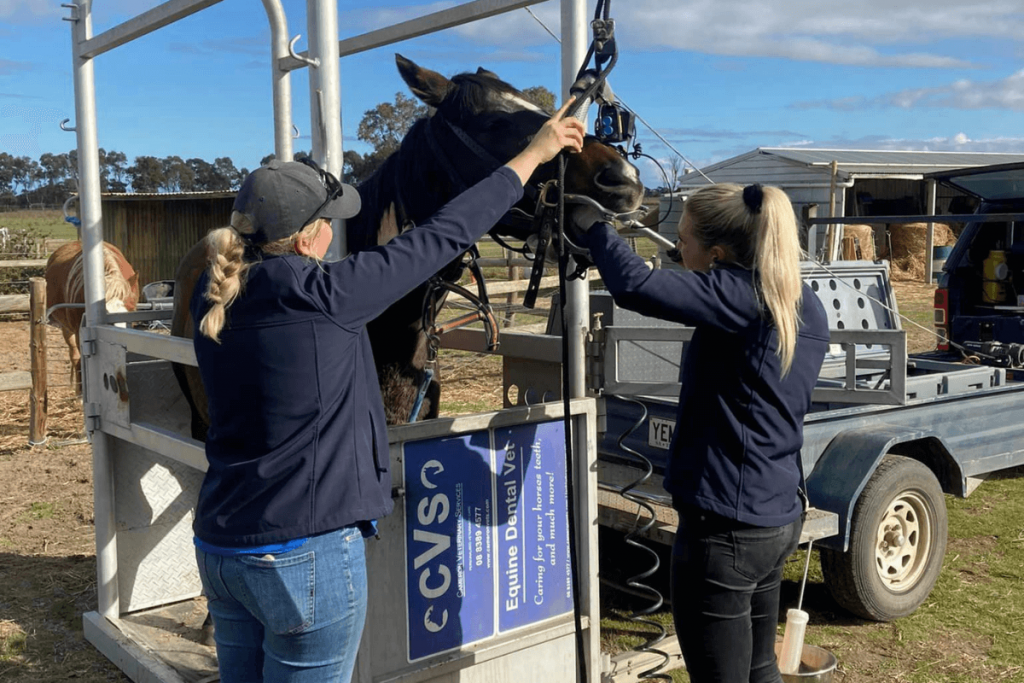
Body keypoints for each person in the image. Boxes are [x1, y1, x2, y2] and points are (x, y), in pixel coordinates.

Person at [190, 99, 585, 683]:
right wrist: (535, 153)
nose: (334, 232)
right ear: (306, 240)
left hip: (221, 546)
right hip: (305, 553)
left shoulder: (212, 297)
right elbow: (448, 231)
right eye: (328, 222)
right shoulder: (329, 296)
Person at [575, 183, 830, 683]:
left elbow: (634, 286)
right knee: (759, 668)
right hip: (775, 517)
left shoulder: (742, 300)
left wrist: (592, 224)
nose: (676, 247)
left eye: (684, 238)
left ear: (716, 254)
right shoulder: (799, 301)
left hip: (724, 532)